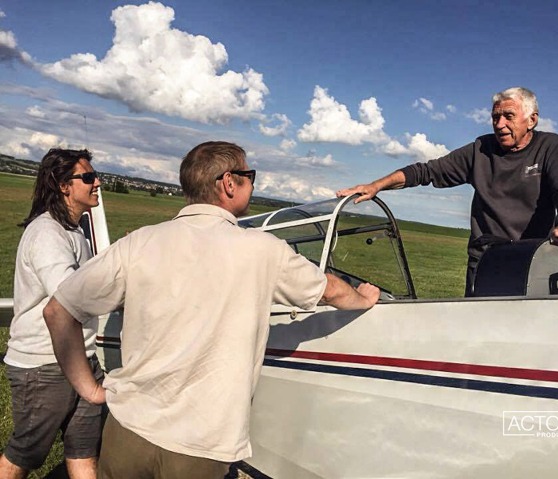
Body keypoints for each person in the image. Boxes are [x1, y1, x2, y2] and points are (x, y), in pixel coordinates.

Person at [42, 141, 380, 479]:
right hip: (200, 446)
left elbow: (58, 311)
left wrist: (90, 390)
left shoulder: (139, 241)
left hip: (127, 430)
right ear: (229, 183)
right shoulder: (263, 250)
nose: (253, 183)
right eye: (250, 176)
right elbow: (331, 291)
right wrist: (363, 298)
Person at [337, 87, 558, 296]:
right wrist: (376, 185)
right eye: (495, 117)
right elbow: (426, 171)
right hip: (487, 261)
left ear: (532, 120)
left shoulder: (551, 146)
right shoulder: (481, 149)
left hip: (533, 260)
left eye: (508, 116)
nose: (500, 125)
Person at [0, 149, 104, 479]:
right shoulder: (47, 232)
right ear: (63, 186)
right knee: (25, 454)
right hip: (44, 363)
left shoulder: (73, 231)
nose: (97, 182)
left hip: (82, 358)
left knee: (84, 452)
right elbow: (68, 294)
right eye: (87, 177)